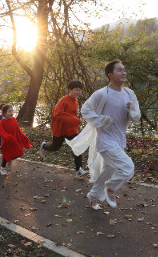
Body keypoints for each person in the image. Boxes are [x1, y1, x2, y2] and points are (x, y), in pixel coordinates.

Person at [66, 59, 141, 210]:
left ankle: (93, 196)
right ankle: (110, 189)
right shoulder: (102, 93)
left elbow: (136, 117)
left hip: (119, 140)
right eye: (119, 70)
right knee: (127, 167)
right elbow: (86, 109)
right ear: (110, 75)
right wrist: (101, 120)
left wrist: (133, 109)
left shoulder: (129, 93)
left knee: (108, 171)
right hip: (105, 140)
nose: (123, 72)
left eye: (124, 69)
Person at [39, 81, 88, 178]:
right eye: (76, 90)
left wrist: (76, 122)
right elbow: (58, 114)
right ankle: (44, 146)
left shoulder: (75, 101)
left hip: (71, 129)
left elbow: (73, 115)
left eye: (80, 91)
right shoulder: (64, 100)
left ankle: (79, 170)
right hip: (60, 129)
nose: (78, 92)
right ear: (70, 90)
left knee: (77, 147)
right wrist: (75, 120)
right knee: (55, 147)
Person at [0, 104, 32, 175]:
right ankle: (3, 168)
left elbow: (18, 130)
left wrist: (24, 137)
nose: (11, 113)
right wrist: (8, 137)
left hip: (15, 140)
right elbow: (1, 133)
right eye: (9, 111)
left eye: (12, 111)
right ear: (4, 113)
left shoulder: (14, 119)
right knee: (6, 155)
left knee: (18, 152)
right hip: (7, 141)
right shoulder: (2, 122)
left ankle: (10, 159)